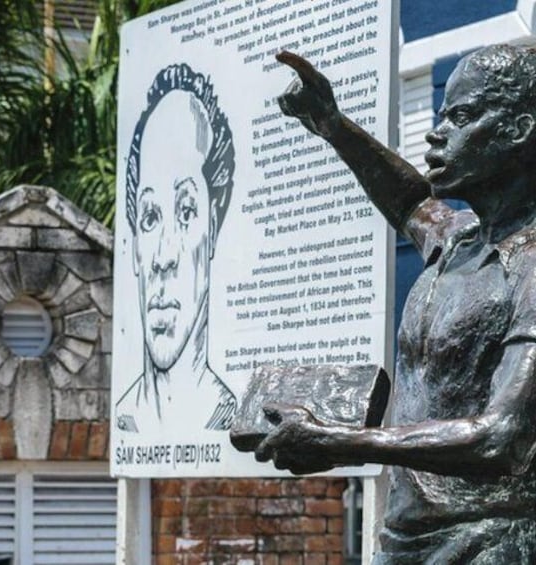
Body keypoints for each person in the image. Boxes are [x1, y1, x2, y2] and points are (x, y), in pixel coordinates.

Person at [254, 45, 536, 563]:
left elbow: (502, 438)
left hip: (489, 543)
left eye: (463, 116)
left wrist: (341, 441)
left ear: (518, 130)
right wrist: (332, 125)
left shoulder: (531, 267)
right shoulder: (457, 240)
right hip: (405, 537)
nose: (437, 132)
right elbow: (409, 201)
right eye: (443, 114)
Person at [115, 63, 237, 434]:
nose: (163, 258)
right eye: (150, 217)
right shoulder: (123, 419)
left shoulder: (229, 416)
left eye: (186, 212)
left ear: (213, 228)